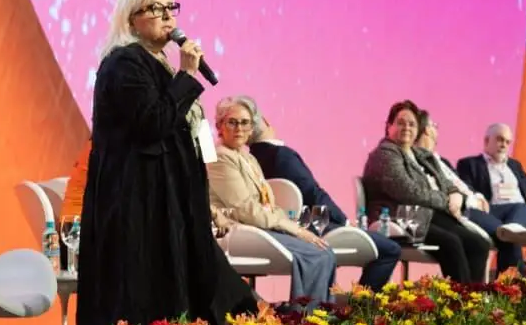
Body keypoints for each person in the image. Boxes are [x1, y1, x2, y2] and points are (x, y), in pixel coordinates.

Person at [76, 0, 256, 325]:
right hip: (141, 202)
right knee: (151, 303)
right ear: (131, 19)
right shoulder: (124, 63)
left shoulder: (158, 63)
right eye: (155, 8)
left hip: (170, 202)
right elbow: (153, 123)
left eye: (171, 7)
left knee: (210, 294)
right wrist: (188, 75)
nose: (168, 16)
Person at [242, 99, 402, 289]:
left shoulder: (250, 160)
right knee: (390, 250)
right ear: (267, 122)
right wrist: (343, 221)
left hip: (274, 231)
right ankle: (359, 304)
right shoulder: (281, 155)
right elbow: (313, 194)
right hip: (308, 229)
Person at [208, 96, 337, 306]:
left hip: (260, 227)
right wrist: (295, 229)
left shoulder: (248, 158)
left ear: (252, 128)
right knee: (317, 255)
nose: (239, 128)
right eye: (232, 122)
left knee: (325, 251)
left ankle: (319, 314)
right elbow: (247, 210)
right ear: (219, 126)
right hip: (241, 231)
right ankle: (303, 317)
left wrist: (286, 223)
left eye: (245, 122)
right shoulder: (220, 157)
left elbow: (269, 204)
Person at [361, 100, 491, 283]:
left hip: (426, 215)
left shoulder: (419, 154)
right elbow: (408, 191)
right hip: (399, 218)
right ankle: (460, 297)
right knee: (452, 243)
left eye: (412, 124)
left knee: (479, 244)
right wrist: (446, 200)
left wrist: (455, 193)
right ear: (389, 126)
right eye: (401, 123)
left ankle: (472, 297)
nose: (407, 128)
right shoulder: (384, 154)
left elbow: (444, 180)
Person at [414, 109, 526, 275]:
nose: (504, 145)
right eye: (434, 125)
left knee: (520, 211)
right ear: (426, 130)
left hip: (478, 207)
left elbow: (460, 185)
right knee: (508, 237)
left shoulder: (441, 160)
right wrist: (468, 200)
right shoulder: (425, 160)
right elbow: (444, 189)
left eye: (507, 141)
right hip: (461, 211)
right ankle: (509, 286)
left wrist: (477, 196)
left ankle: (511, 281)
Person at [456, 123, 526, 269]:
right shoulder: (469, 164)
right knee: (515, 226)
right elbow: (465, 187)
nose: (504, 145)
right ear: (487, 141)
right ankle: (510, 280)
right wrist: (477, 198)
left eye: (508, 142)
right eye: (500, 139)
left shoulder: (514, 165)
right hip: (493, 212)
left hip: (521, 214)